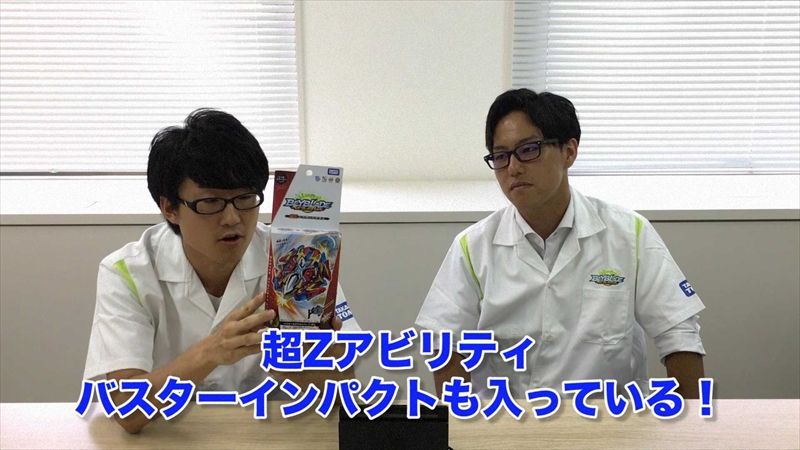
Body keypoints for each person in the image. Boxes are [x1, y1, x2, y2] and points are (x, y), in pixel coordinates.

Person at [415, 89, 706, 400]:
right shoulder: (472, 248)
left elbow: (678, 336)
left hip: (607, 421)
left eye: (528, 149)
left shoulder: (629, 234)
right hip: (505, 421)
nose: (513, 167)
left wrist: (687, 424)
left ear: (569, 151)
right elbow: (446, 346)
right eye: (501, 156)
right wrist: (462, 425)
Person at [83, 109, 359, 433]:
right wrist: (211, 352)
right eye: (211, 202)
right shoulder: (127, 272)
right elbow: (126, 408)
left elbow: (340, 393)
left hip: (270, 434)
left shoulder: (297, 257)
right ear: (170, 208)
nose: (232, 218)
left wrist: (310, 360)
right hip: (171, 437)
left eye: (245, 198)